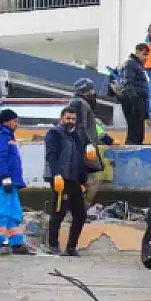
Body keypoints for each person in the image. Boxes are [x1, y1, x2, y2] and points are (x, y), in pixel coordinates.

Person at [44, 107, 87, 256]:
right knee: (59, 212)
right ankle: (53, 245)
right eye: (68, 118)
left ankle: (71, 247)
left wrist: (83, 180)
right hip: (61, 179)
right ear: (62, 118)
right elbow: (51, 156)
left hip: (74, 179)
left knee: (80, 214)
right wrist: (56, 175)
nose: (70, 121)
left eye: (73, 119)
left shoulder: (75, 135)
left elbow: (80, 159)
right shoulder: (54, 133)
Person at [0, 108, 29, 254]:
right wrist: (4, 177)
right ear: (7, 121)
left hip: (9, 180)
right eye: (15, 121)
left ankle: (15, 242)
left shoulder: (5, 135)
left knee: (13, 212)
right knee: (0, 211)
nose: (16, 124)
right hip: (0, 181)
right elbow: (0, 157)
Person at [118, 44, 150, 145]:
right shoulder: (130, 64)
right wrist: (134, 101)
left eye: (147, 55)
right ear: (137, 51)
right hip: (134, 102)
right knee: (134, 132)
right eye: (144, 54)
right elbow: (128, 83)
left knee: (138, 132)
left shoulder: (136, 65)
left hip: (138, 101)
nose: (146, 58)